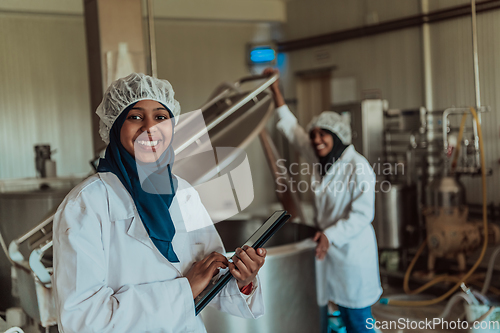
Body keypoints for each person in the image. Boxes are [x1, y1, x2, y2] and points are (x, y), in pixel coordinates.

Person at [52, 73, 266, 333]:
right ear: (116, 126)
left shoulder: (183, 193)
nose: (150, 128)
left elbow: (210, 279)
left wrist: (243, 279)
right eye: (136, 117)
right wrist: (184, 290)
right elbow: (83, 322)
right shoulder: (87, 204)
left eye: (161, 117)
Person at [263, 68, 382, 333]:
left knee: (358, 320)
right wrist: (276, 91)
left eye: (323, 135)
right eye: (314, 134)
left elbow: (363, 215)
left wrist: (330, 234)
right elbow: (293, 131)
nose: (316, 140)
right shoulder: (322, 159)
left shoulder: (357, 166)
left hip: (352, 253)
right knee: (330, 314)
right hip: (327, 251)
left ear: (337, 137)